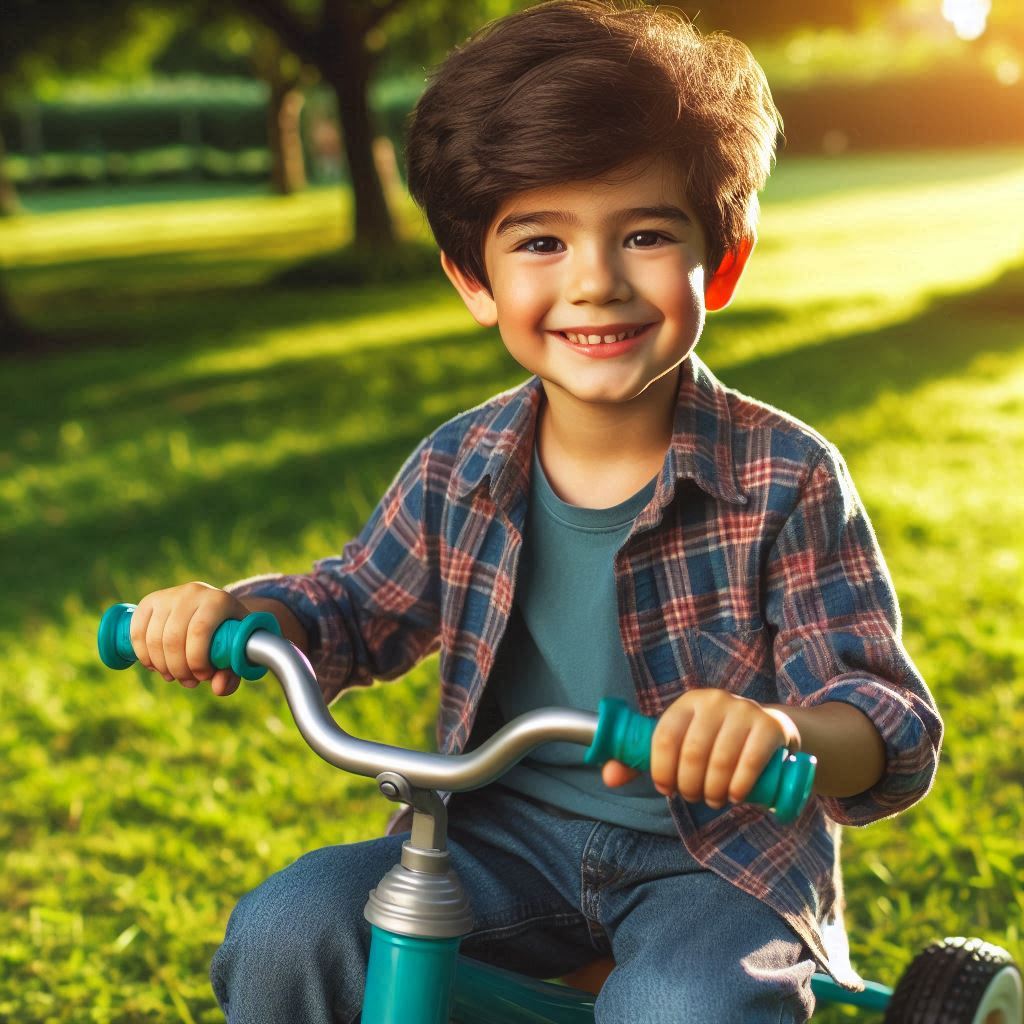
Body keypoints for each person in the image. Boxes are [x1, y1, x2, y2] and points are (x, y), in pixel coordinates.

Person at [127, 3, 943, 1021]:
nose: (594, 282)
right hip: (499, 835)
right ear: (475, 281)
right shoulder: (461, 465)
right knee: (293, 925)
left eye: (643, 233)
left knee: (683, 1004)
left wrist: (778, 730)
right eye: (540, 242)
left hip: (713, 858)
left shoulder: (785, 478)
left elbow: (887, 720)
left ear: (720, 263)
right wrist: (239, 616)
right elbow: (351, 605)